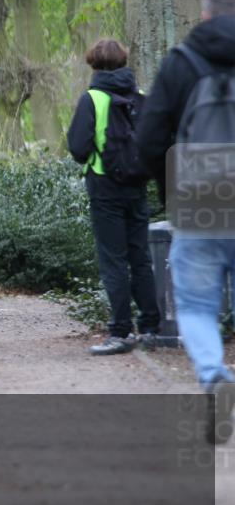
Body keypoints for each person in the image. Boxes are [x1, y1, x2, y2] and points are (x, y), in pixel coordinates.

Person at [136, 0, 235, 443]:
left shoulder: (181, 62)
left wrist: (171, 189)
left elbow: (149, 139)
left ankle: (214, 376)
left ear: (206, 14)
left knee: (196, 305)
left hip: (199, 199)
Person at [67, 38, 161, 355]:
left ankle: (121, 332)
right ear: (123, 62)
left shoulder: (92, 99)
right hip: (137, 186)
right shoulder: (142, 97)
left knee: (114, 261)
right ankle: (150, 328)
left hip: (104, 186)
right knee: (141, 257)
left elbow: (78, 148)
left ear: (94, 63)